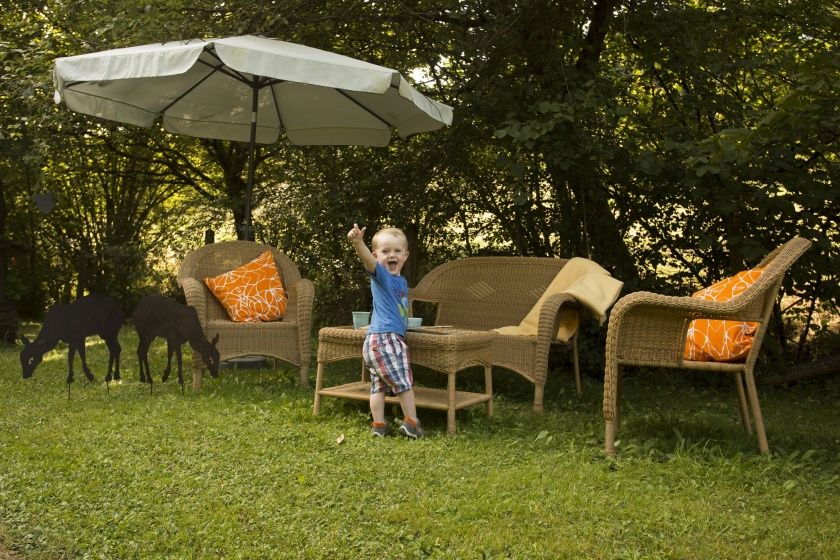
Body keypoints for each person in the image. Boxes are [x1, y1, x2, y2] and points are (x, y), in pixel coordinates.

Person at [347, 223, 424, 438]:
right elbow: (368, 261)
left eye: (397, 251)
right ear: (376, 255)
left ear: (406, 255)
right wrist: (358, 243)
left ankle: (379, 425)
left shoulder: (400, 281)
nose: (392, 255)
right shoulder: (381, 275)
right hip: (386, 339)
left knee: (378, 386)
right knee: (403, 382)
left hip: (377, 340)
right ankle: (412, 423)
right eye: (385, 251)